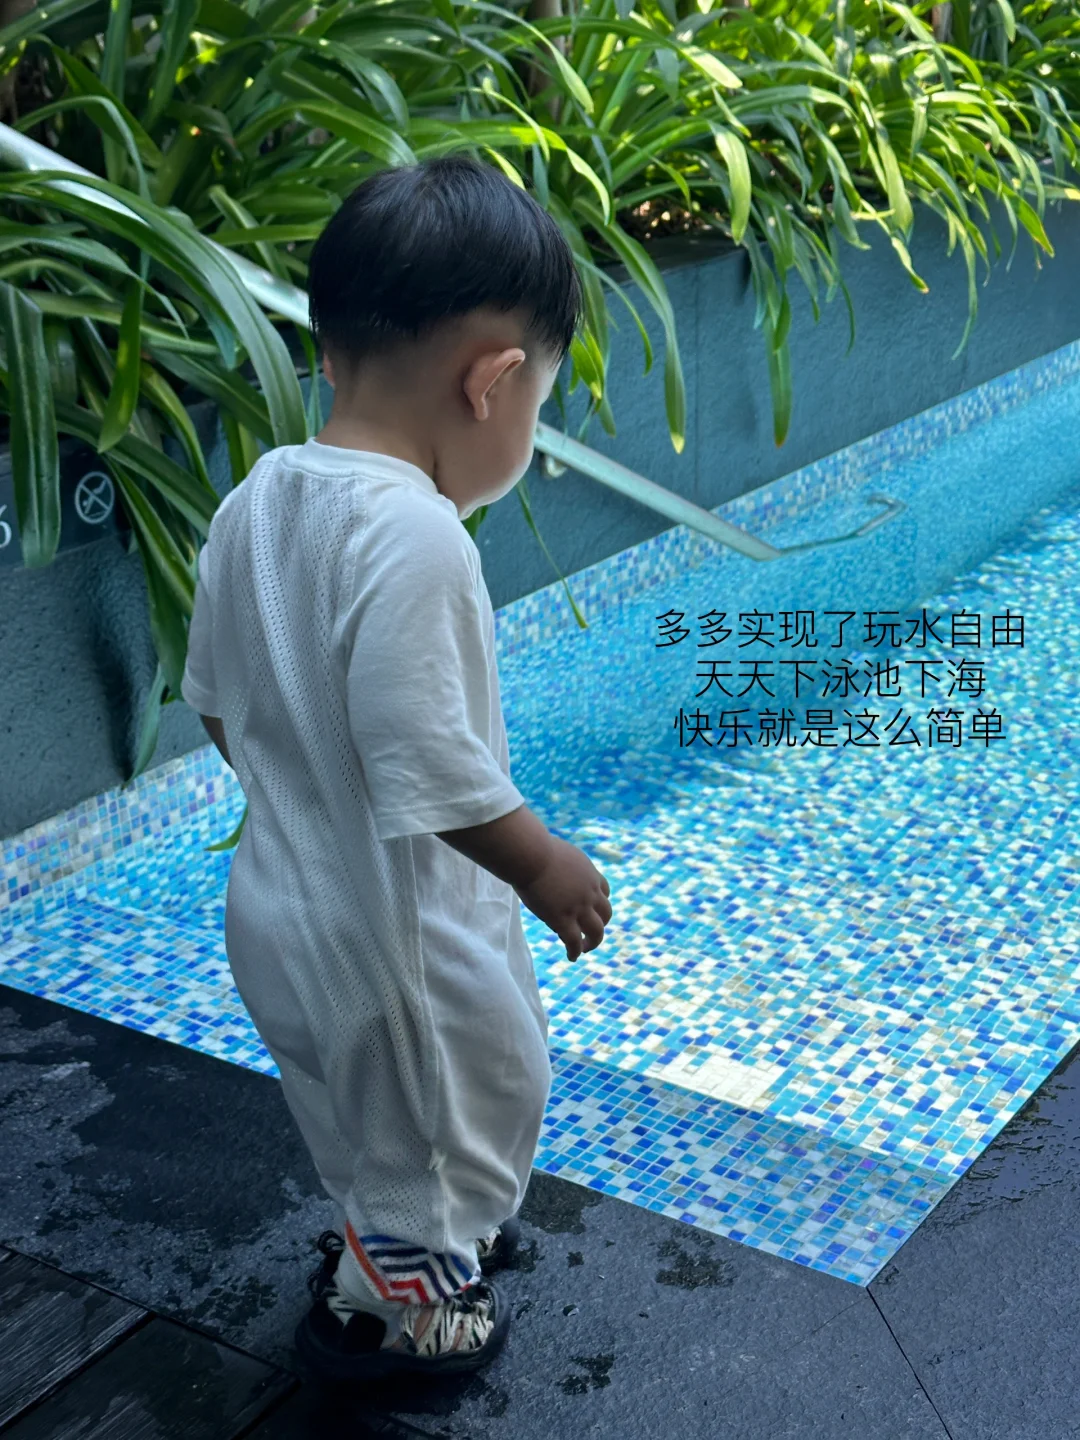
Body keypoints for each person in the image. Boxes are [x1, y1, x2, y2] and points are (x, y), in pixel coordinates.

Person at [180, 155, 613, 1383]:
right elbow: (421, 754)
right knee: (460, 1098)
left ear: (331, 353)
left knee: (369, 1110)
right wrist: (540, 862)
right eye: (537, 402)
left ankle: (421, 1237)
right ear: (493, 381)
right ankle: (395, 1307)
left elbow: (220, 705)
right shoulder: (417, 532)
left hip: (280, 906)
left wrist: (302, 796)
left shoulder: (258, 500)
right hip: (393, 934)